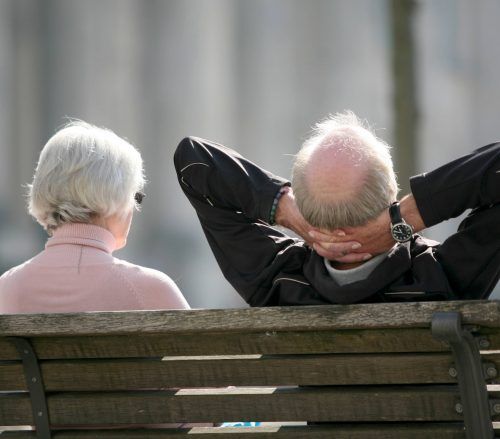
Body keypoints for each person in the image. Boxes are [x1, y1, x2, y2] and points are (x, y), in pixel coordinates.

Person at [174, 111, 499, 306]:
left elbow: (194, 162)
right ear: (391, 192)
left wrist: (288, 213)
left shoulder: (276, 280)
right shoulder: (444, 276)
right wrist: (404, 220)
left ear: (306, 206)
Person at [0, 121, 189, 313]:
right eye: (135, 197)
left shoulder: (7, 287)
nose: (134, 208)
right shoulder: (150, 288)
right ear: (117, 195)